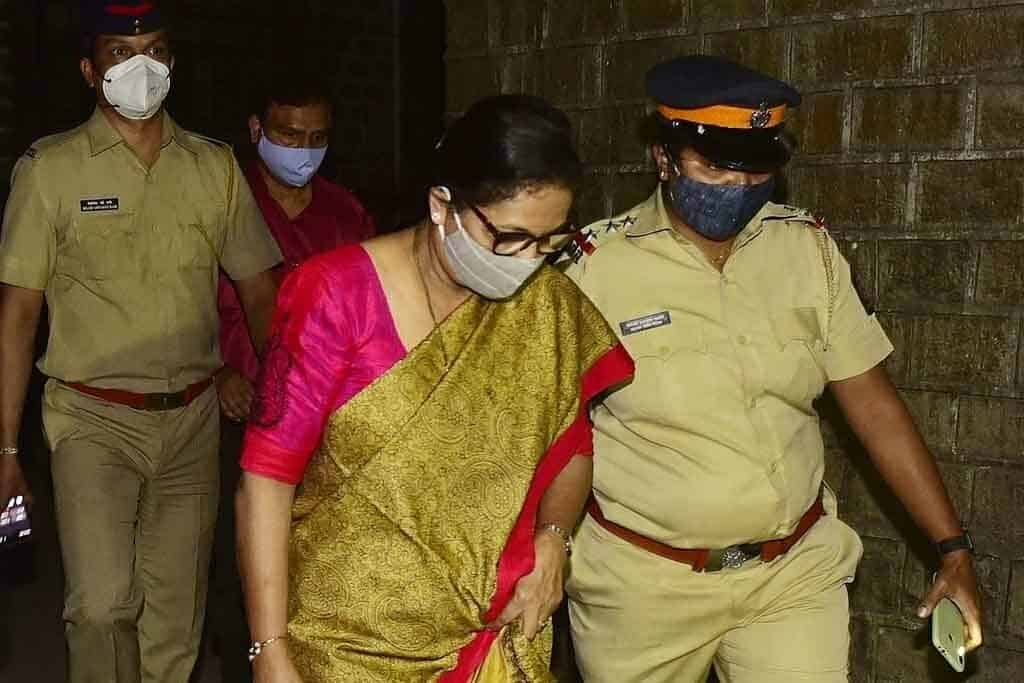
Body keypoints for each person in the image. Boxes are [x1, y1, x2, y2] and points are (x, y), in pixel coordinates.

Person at [563, 55, 983, 682]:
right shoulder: (593, 271)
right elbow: (548, 434)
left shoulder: (806, 250)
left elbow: (872, 406)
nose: (736, 185)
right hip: (643, 587)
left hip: (792, 572)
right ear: (663, 158)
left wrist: (951, 548)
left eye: (755, 167)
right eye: (714, 166)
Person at [236, 94, 633, 682]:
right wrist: (269, 648)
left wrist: (553, 540)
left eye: (550, 241)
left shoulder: (547, 305)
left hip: (493, 639)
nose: (529, 260)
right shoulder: (336, 295)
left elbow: (571, 446)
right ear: (442, 205)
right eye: (510, 237)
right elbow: (266, 481)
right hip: (347, 643)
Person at [0, 2, 281, 681]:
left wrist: (287, 407)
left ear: (173, 61)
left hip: (191, 421)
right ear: (88, 69)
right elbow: (18, 313)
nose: (141, 66)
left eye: (154, 49)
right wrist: (5, 450)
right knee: (101, 607)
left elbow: (261, 295)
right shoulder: (50, 170)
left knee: (174, 623)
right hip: (91, 420)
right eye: (121, 53)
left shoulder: (213, 168)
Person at [208, 67, 375, 682]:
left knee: (316, 569)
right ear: (256, 130)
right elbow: (180, 306)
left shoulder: (345, 214)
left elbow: (371, 314)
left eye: (317, 137)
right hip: (237, 415)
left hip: (326, 424)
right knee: (236, 572)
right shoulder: (223, 202)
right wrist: (218, 371)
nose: (303, 150)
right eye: (288, 134)